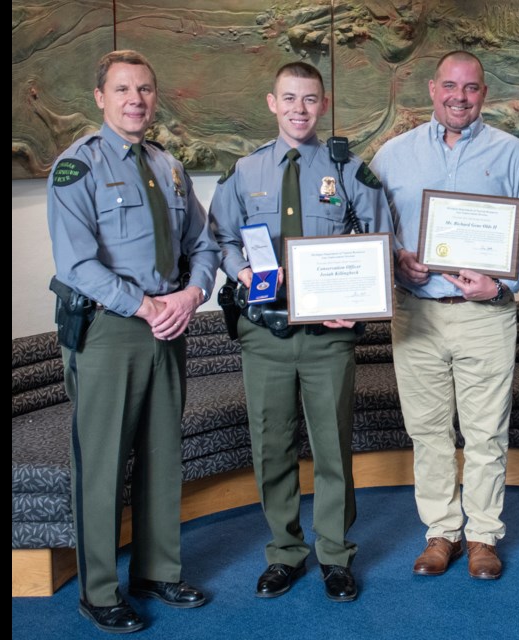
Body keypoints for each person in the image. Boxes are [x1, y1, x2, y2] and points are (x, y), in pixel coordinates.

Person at [47, 50, 218, 633]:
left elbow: (206, 244)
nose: (135, 100)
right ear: (100, 97)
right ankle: (99, 590)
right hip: (110, 330)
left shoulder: (168, 167)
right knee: (102, 464)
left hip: (168, 324)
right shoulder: (76, 167)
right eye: (122, 90)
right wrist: (146, 306)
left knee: (162, 453)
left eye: (144, 89)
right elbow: (77, 263)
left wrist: (191, 295)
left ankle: (156, 569)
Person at [208, 61, 392, 603]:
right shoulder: (245, 172)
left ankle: (335, 554)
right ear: (272, 102)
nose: (299, 109)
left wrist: (356, 306)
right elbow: (220, 237)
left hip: (328, 335)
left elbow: (380, 238)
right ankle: (284, 553)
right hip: (264, 331)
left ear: (324, 104)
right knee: (272, 445)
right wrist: (239, 269)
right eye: (289, 99)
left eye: (309, 99)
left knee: (333, 445)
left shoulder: (351, 170)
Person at [369, 50, 519, 580]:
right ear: (431, 88)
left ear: (483, 94)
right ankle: (441, 532)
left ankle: (483, 536)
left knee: (486, 433)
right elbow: (375, 224)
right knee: (427, 432)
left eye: (470, 88)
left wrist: (503, 280)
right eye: (450, 85)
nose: (459, 97)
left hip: (485, 314)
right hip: (417, 313)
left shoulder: (512, 153)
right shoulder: (392, 156)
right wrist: (396, 257)